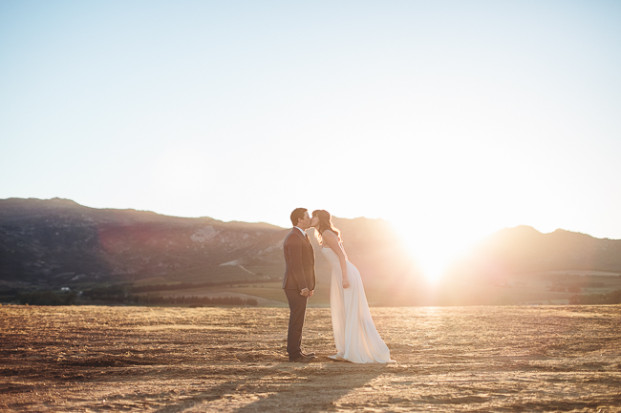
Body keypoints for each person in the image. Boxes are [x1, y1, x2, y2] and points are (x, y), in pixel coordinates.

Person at [311, 209, 392, 363]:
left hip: (346, 274)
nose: (311, 219)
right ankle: (345, 350)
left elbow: (342, 256)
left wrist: (344, 277)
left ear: (320, 218)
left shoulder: (327, 233)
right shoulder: (323, 235)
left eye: (314, 216)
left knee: (351, 311)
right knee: (344, 311)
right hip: (339, 274)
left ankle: (354, 351)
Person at [282, 208, 316, 362]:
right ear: (299, 220)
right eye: (307, 216)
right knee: (296, 319)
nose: (310, 219)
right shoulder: (294, 237)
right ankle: (294, 354)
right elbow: (296, 265)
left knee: (298, 319)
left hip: (298, 285)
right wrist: (303, 286)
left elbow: (307, 264)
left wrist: (310, 285)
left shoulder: (302, 235)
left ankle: (296, 351)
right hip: (294, 285)